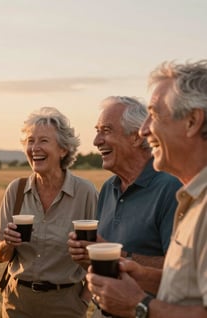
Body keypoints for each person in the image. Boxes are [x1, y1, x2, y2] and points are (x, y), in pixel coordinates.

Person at [85, 60, 207, 317]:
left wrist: (139, 306)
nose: (144, 129)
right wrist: (141, 275)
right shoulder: (193, 198)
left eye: (155, 115)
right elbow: (188, 287)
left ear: (193, 121)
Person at [68, 97, 181, 317]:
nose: (96, 141)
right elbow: (105, 267)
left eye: (106, 130)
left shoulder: (170, 188)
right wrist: (86, 256)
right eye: (97, 131)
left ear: (137, 136)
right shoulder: (109, 187)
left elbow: (180, 272)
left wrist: (114, 252)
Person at [0, 106, 99, 318]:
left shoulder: (85, 192)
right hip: (17, 302)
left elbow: (101, 252)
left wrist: (84, 299)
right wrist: (7, 243)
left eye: (43, 141)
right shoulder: (17, 189)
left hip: (66, 304)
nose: (35, 148)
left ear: (63, 149)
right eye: (30, 141)